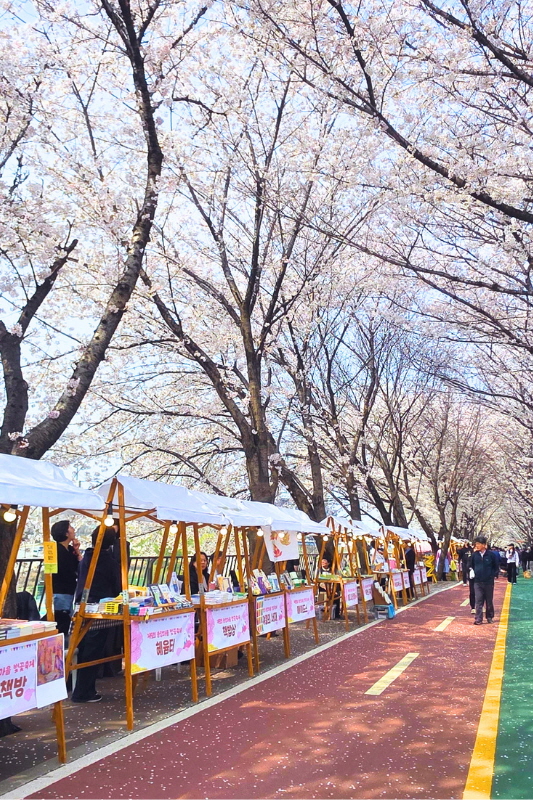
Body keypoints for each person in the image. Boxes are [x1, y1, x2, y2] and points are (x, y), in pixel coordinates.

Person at [71, 528, 121, 703]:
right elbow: (118, 587)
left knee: (82, 649)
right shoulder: (108, 561)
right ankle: (83, 692)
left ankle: (81, 689)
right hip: (100, 609)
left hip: (81, 607)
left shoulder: (87, 557)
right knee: (92, 652)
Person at [51, 519, 82, 636]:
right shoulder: (56, 550)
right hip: (60, 590)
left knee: (66, 619)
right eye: (71, 527)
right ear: (65, 533)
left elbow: (80, 566)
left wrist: (77, 550)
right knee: (61, 620)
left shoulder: (69, 550)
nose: (73, 529)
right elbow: (69, 570)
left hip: (69, 590)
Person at [471, 535, 499, 625]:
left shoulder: (491, 555)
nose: (477, 545)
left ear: (484, 545)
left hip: (488, 582)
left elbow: (496, 566)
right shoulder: (474, 555)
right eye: (476, 544)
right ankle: (478, 619)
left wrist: (493, 575)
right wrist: (471, 570)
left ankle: (489, 617)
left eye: (478, 544)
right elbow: (469, 565)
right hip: (477, 582)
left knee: (489, 600)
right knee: (478, 600)